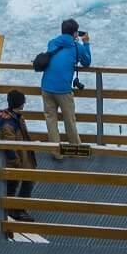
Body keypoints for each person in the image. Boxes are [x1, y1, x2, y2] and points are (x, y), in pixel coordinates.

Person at [36, 19, 92, 158]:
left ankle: (56, 152)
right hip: (63, 89)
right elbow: (87, 62)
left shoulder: (52, 42)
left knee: (51, 119)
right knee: (69, 119)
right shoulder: (76, 46)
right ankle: (76, 150)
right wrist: (86, 43)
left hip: (46, 86)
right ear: (75, 33)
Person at [0, 90, 38, 225]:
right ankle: (18, 209)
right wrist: (16, 161)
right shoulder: (10, 122)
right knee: (26, 182)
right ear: (20, 103)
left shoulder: (16, 117)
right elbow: (9, 145)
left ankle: (13, 208)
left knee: (14, 184)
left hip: (23, 156)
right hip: (18, 160)